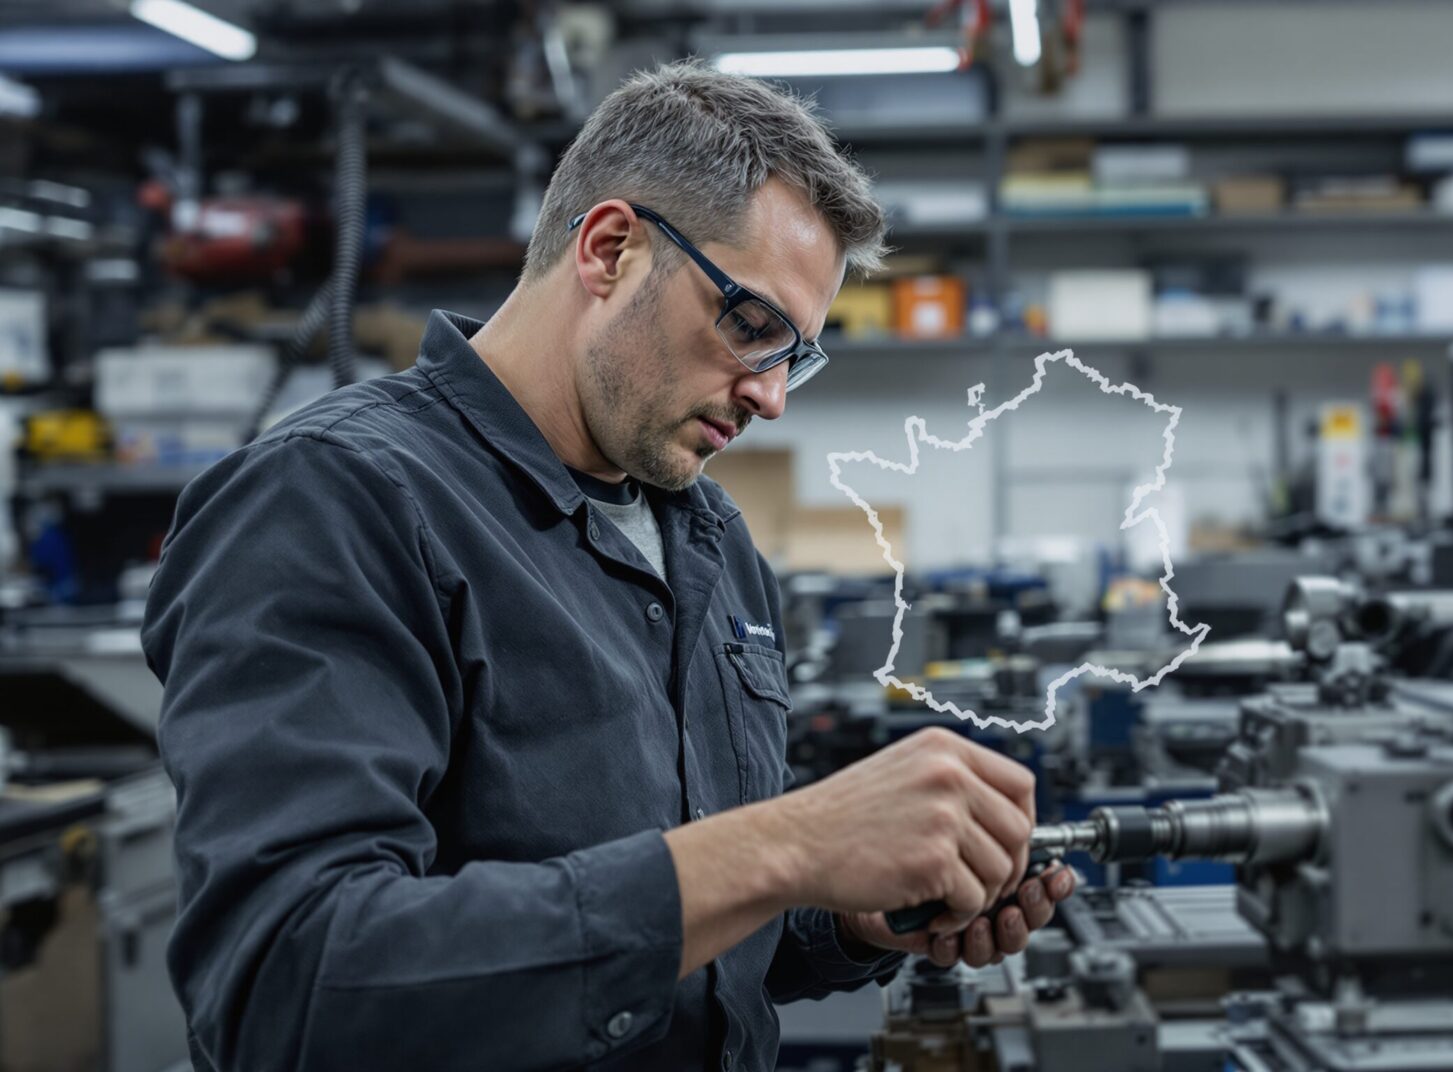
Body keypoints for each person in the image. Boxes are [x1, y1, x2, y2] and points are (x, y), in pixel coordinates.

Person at [142, 59, 1073, 1071]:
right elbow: (287, 987)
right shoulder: (335, 499)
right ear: (610, 249)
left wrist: (854, 919)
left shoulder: (708, 540)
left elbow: (706, 954)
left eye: (794, 355)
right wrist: (789, 844)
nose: (772, 398)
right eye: (752, 326)